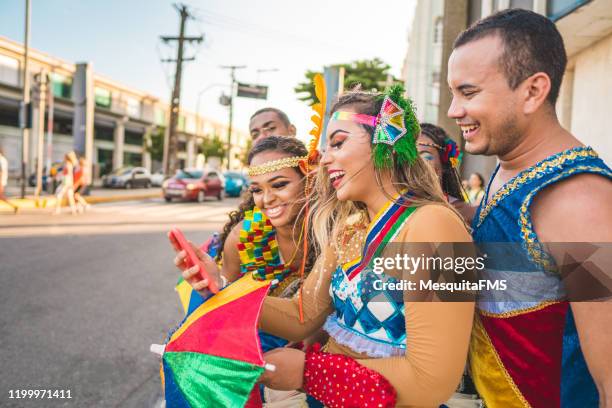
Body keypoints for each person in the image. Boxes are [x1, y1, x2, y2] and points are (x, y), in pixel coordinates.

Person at [178, 86, 476, 407]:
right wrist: (221, 289)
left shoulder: (435, 225)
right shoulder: (350, 227)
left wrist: (309, 372)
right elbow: (302, 314)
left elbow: (433, 380)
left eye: (338, 143)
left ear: (385, 140)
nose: (325, 157)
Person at [448, 9, 612, 407]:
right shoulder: (510, 166)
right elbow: (516, 273)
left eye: (468, 93)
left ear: (533, 91)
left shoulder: (578, 202)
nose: (454, 111)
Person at [171, 136, 317, 406]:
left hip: (315, 346)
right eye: (257, 190)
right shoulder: (242, 237)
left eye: (280, 184)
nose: (267, 199)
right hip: (254, 344)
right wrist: (214, 286)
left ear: (310, 180)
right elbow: (225, 312)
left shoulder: (330, 231)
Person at [417, 123, 475, 223]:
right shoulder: (393, 209)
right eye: (409, 157)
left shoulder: (461, 213)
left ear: (444, 165)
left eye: (426, 157)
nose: (416, 164)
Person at [0, 148, 18, 213]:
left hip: (1, 181)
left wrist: (1, 183)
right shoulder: (3, 159)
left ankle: (14, 206)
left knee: (1, 196)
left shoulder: (1, 160)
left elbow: (1, 172)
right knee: (1, 197)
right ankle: (14, 206)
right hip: (2, 181)